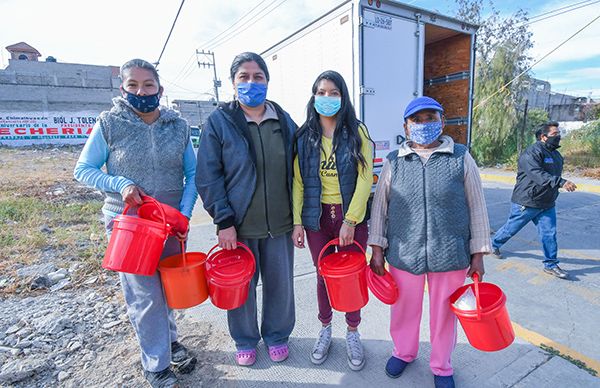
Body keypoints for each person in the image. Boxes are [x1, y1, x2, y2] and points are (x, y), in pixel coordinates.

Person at [73, 59, 198, 388]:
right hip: (130, 225)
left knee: (169, 288)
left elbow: (193, 174)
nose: (141, 91)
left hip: (169, 221)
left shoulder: (178, 126)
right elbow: (83, 170)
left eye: (148, 85)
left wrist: (184, 215)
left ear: (160, 89)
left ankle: (170, 343)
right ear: (122, 88)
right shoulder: (109, 123)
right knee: (144, 296)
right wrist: (121, 184)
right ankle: (156, 364)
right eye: (133, 85)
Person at [369, 96, 490, 388]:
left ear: (442, 122)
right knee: (404, 308)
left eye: (430, 118)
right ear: (406, 127)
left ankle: (442, 366)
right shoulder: (394, 161)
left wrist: (478, 253)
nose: (424, 124)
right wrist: (376, 247)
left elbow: (477, 206)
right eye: (417, 120)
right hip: (404, 251)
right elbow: (380, 207)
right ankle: (404, 352)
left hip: (450, 252)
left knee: (445, 313)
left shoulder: (460, 156)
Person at [195, 52, 296, 367]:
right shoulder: (220, 122)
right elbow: (208, 176)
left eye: (258, 77)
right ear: (233, 82)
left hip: (280, 222)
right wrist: (223, 219)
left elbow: (300, 165)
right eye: (244, 77)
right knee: (241, 288)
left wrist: (301, 218)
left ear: (267, 80)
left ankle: (277, 335)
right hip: (238, 225)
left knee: (281, 284)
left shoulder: (282, 119)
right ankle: (245, 339)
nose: (252, 82)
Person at [292, 70, 373, 370]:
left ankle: (353, 331)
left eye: (334, 92)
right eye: (321, 92)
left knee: (351, 277)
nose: (327, 98)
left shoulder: (357, 132)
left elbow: (365, 179)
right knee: (323, 275)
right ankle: (325, 328)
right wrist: (298, 222)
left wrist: (351, 220)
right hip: (317, 217)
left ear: (344, 96)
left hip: (350, 216)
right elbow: (298, 182)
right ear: (313, 97)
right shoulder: (303, 137)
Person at [490, 121, 577, 279]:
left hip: (546, 202)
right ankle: (493, 244)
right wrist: (561, 182)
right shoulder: (531, 153)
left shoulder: (556, 155)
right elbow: (537, 173)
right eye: (555, 134)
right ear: (543, 137)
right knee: (511, 229)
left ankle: (550, 264)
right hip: (527, 201)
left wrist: (557, 186)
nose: (558, 137)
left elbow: (552, 177)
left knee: (549, 234)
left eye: (558, 133)